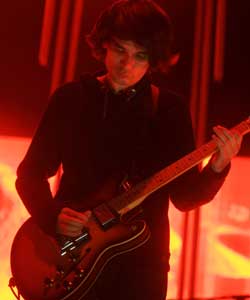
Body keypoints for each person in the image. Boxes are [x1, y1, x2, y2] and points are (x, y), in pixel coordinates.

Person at [15, 0, 242, 299]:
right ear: (104, 45)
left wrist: (218, 167)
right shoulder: (70, 99)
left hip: (141, 272)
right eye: (120, 50)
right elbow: (29, 175)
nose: (128, 65)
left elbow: (185, 198)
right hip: (70, 258)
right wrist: (51, 216)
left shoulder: (170, 110)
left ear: (153, 60)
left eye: (140, 56)